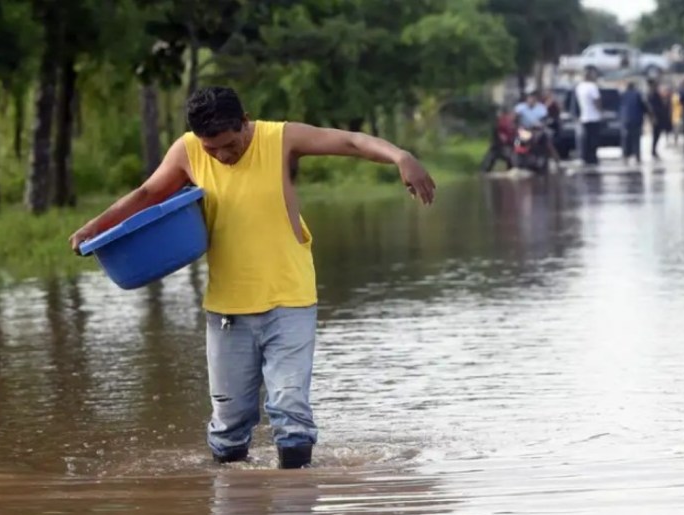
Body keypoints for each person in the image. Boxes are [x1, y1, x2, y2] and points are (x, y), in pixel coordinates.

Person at [68, 86, 436, 469]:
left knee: (291, 412)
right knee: (229, 426)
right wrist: (95, 228)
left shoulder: (279, 138)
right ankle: (232, 496)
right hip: (228, 309)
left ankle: (295, 499)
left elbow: (351, 141)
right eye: (212, 150)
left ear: (245, 123)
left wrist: (401, 156)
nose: (222, 156)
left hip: (290, 300)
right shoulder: (188, 150)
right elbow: (147, 194)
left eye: (229, 145)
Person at [576, 68, 603, 165]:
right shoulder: (592, 86)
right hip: (594, 117)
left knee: (584, 139)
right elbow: (597, 100)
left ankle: (584, 157)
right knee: (593, 139)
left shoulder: (579, 87)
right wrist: (600, 111)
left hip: (584, 117)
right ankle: (592, 158)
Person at [480, 106, 516, 172]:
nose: (514, 116)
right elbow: (499, 133)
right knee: (490, 159)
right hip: (498, 146)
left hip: (506, 146)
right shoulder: (503, 122)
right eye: (512, 114)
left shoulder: (512, 123)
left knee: (512, 158)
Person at [619, 81, 647, 164]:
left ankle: (625, 156)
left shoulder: (623, 94)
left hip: (625, 119)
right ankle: (637, 156)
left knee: (626, 138)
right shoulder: (638, 94)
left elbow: (619, 106)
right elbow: (643, 105)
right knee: (636, 138)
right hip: (636, 119)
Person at [645, 80, 672, 159]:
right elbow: (652, 108)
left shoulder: (653, 95)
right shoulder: (653, 95)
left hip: (658, 117)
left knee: (657, 135)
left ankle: (654, 150)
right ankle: (653, 150)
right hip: (657, 118)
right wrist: (653, 117)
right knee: (656, 134)